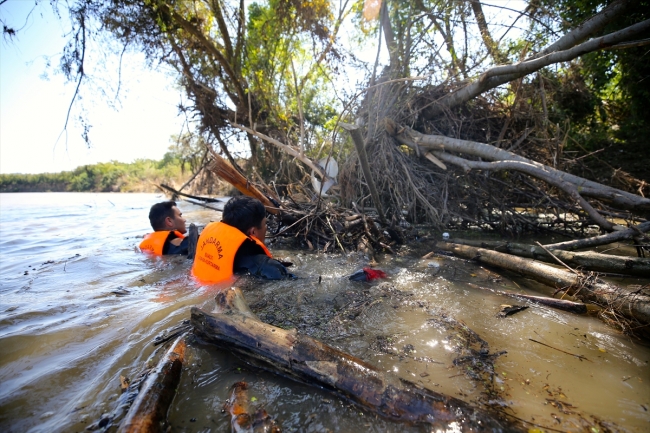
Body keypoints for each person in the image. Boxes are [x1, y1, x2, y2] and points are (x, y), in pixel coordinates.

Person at [192, 196, 289, 283]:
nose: (266, 227)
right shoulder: (265, 266)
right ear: (253, 232)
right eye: (265, 223)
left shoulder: (206, 246)